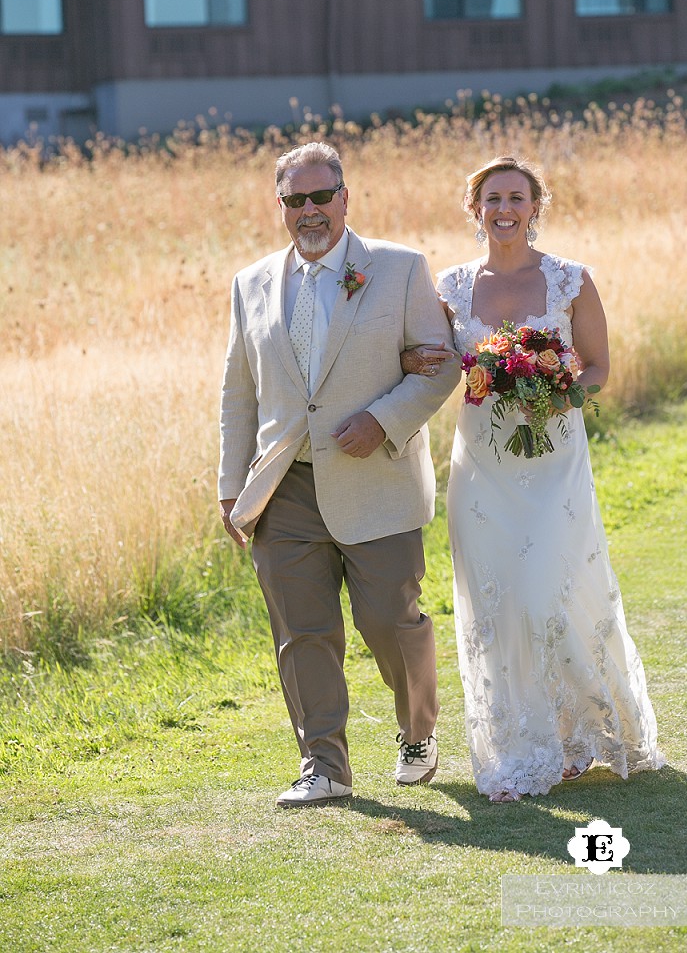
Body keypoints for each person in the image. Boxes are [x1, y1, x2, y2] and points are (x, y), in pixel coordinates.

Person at [402, 155, 664, 802]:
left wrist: (558, 391)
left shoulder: (572, 281)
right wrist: (413, 357)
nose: (504, 209)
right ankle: (522, 746)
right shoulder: (454, 287)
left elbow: (599, 366)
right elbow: (429, 359)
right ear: (475, 209)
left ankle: (580, 732)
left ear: (535, 205)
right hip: (483, 469)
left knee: (551, 589)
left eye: (516, 197)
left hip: (555, 461)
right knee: (501, 603)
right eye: (492, 199)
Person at [218, 141, 460, 807]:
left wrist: (383, 419)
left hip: (375, 477)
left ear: (345, 198)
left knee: (390, 620)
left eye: (321, 196)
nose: (309, 210)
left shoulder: (400, 268)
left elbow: (441, 367)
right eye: (295, 200)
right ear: (281, 206)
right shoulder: (251, 283)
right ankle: (323, 767)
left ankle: (418, 732)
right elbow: (238, 391)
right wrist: (230, 483)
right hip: (285, 489)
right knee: (302, 633)